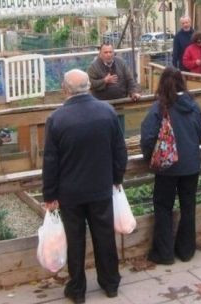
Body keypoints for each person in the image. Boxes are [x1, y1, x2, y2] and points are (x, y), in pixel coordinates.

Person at [42, 69, 126, 303]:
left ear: (65, 89)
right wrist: (116, 178)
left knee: (75, 241)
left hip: (70, 192)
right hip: (101, 187)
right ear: (89, 86)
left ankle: (77, 290)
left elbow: (50, 161)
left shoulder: (56, 119)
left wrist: (50, 194)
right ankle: (110, 284)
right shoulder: (107, 111)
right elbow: (120, 150)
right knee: (105, 237)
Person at [140, 67, 201, 265]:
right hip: (191, 164)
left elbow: (148, 137)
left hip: (167, 166)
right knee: (188, 206)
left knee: (163, 207)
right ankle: (186, 251)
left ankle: (164, 253)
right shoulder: (193, 105)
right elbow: (200, 133)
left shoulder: (159, 108)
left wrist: (150, 157)